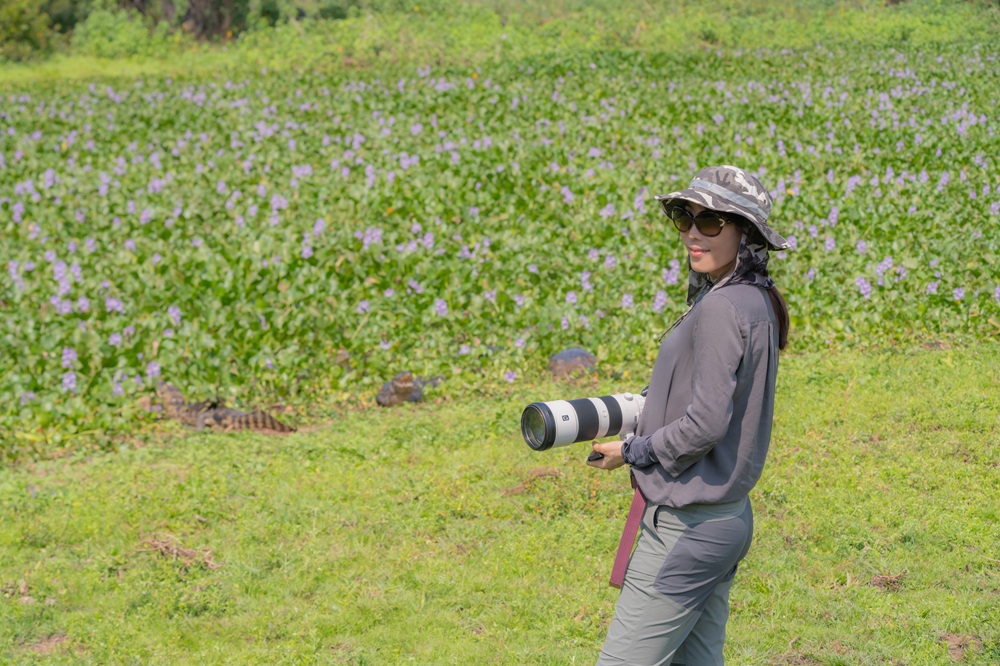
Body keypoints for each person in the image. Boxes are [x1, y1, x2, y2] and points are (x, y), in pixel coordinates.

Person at [587, 165, 791, 665]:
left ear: (745, 232)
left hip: (687, 528)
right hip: (726, 521)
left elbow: (704, 424)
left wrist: (632, 451)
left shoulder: (723, 307)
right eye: (685, 217)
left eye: (712, 222)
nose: (694, 234)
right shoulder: (756, 299)